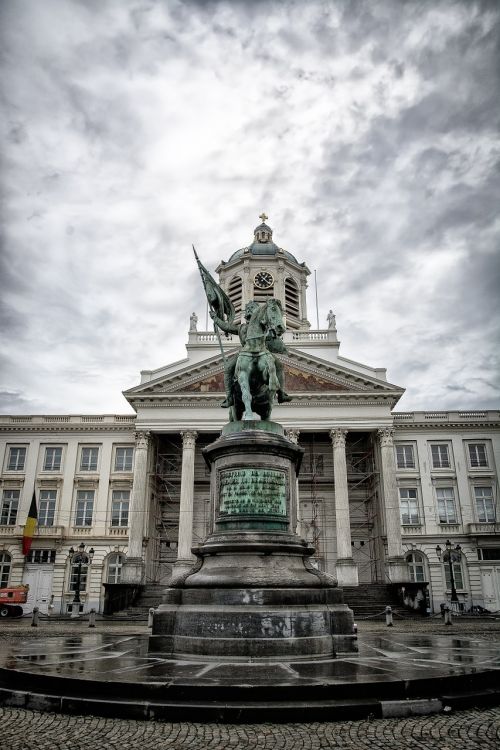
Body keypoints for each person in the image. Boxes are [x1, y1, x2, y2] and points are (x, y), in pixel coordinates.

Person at [211, 300, 292, 407]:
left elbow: (274, 332)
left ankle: (281, 393)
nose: (249, 309)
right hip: (244, 352)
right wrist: (215, 318)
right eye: (248, 308)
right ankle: (230, 397)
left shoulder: (264, 327)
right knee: (228, 368)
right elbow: (226, 327)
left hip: (262, 351)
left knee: (279, 365)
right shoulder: (241, 327)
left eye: (252, 307)